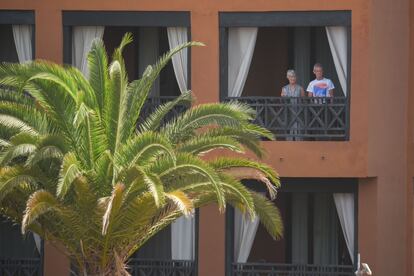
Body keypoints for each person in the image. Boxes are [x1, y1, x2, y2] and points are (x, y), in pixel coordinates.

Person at [280, 70, 305, 140]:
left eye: (294, 76)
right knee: (289, 136)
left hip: (298, 113)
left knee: (299, 136)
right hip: (288, 115)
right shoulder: (284, 88)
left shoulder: (300, 88)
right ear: (287, 77)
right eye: (291, 76)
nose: (292, 78)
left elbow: (304, 101)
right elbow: (282, 102)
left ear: (296, 77)